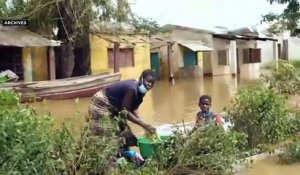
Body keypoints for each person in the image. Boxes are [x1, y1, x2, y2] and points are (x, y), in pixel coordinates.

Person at [88, 69, 156, 145]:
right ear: (141, 79)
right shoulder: (132, 89)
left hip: (114, 106)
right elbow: (124, 112)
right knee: (106, 133)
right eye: (148, 81)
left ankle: (124, 152)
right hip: (101, 104)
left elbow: (133, 109)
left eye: (152, 83)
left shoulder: (141, 91)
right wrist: (144, 125)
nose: (150, 84)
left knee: (124, 131)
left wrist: (144, 125)